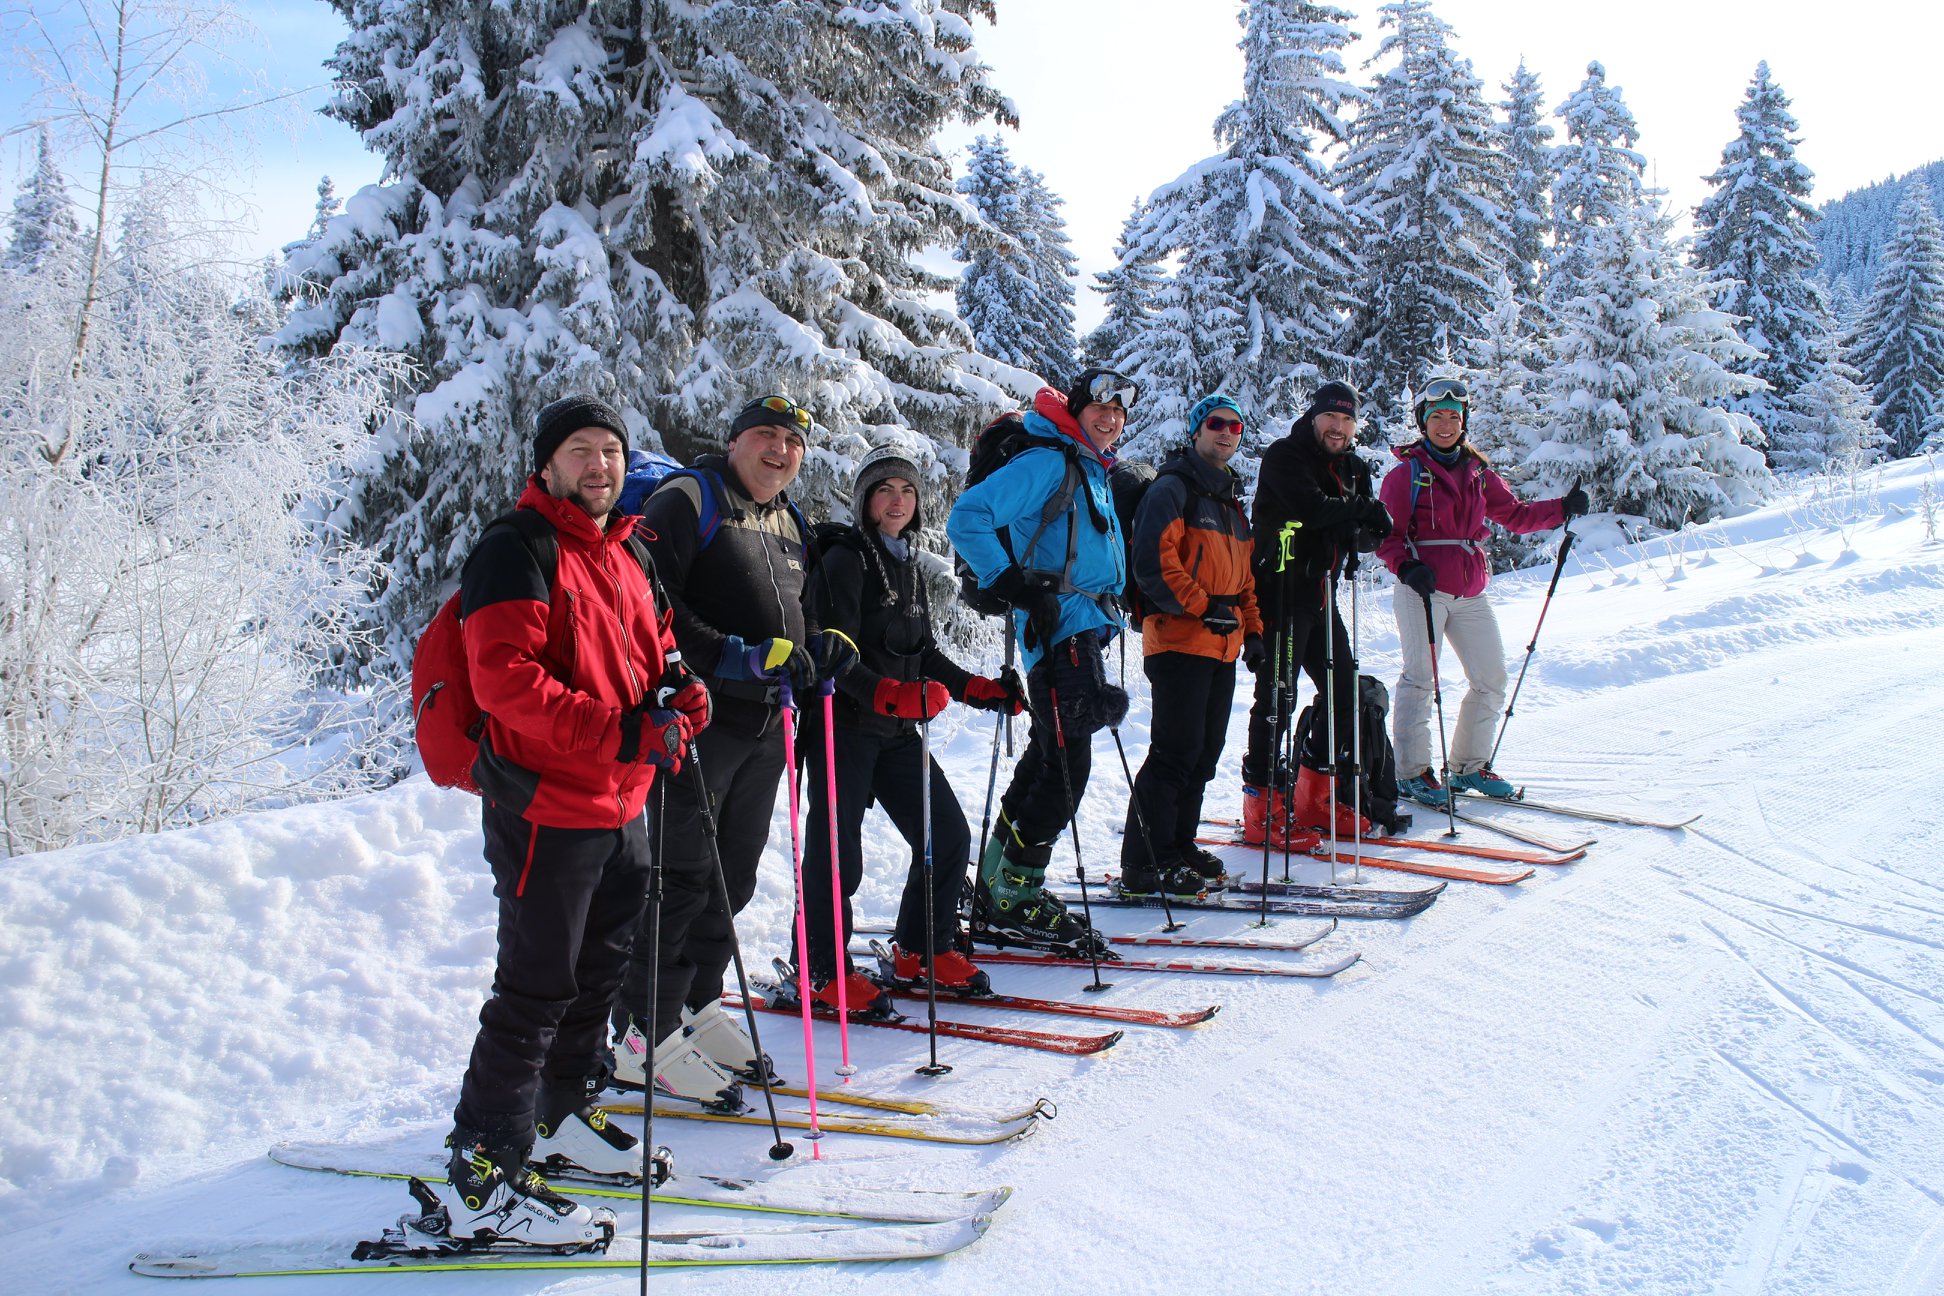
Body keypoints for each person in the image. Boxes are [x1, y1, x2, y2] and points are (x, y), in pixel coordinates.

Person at [444, 394, 696, 1246]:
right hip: (547, 805)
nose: (599, 466)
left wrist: (679, 689)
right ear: (546, 465)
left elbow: (657, 647)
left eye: (612, 452)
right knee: (536, 988)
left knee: (596, 974)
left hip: (623, 802)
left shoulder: (627, 552)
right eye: (581, 452)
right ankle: (480, 1172)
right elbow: (504, 682)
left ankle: (559, 1114)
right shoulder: (515, 548)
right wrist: (622, 731)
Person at [613, 395, 826, 1106]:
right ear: (733, 441)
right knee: (678, 878)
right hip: (698, 720)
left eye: (792, 440)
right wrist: (731, 656)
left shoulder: (788, 519)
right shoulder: (688, 499)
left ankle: (699, 1009)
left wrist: (820, 643)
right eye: (764, 435)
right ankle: (639, 1034)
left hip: (767, 724)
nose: (779, 449)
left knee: (730, 878)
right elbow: (649, 600)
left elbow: (803, 610)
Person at [797, 446, 1024, 1011]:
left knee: (946, 835)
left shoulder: (909, 566)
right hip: (843, 726)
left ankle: (920, 950)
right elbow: (832, 651)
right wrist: (888, 693)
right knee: (837, 855)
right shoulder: (846, 560)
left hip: (895, 732)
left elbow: (921, 653)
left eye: (907, 491)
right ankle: (820, 971)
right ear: (866, 502)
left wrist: (979, 689)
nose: (897, 500)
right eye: (884, 490)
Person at [947, 370, 1132, 957]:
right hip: (1058, 631)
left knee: (1052, 753)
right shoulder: (1051, 462)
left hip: (1080, 630)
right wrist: (1013, 585)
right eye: (1099, 407)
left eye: (1118, 411)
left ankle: (999, 883)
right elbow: (967, 517)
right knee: (1068, 764)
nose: (1109, 418)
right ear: (1076, 410)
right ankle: (1015, 892)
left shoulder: (1087, 464)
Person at [1377, 378, 1588, 806]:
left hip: (1470, 589)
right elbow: (1387, 535)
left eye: (1453, 417)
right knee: (1421, 678)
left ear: (1463, 422)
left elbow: (1515, 514)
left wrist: (1562, 508)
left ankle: (1468, 767)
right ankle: (1412, 773)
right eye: (1436, 416)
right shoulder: (1406, 476)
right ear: (1422, 421)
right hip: (1423, 588)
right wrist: (1407, 565)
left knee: (1491, 679)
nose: (1445, 424)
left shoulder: (1477, 473)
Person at [1120, 394, 1263, 895]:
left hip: (1222, 643)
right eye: (1216, 424)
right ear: (1196, 431)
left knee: (1203, 753)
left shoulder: (1229, 501)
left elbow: (1244, 580)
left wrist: (1254, 631)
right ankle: (1145, 863)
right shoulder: (1172, 488)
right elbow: (1155, 563)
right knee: (1174, 752)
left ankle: (1178, 847)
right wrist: (1206, 607)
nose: (1227, 433)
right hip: (1180, 639)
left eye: (1236, 427)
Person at [1242, 381, 1393, 843]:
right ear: (1315, 417)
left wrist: (1361, 525)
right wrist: (1361, 510)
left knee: (1344, 691)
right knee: (1277, 699)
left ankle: (1314, 798)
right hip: (1281, 593)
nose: (1339, 427)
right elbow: (1309, 508)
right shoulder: (1285, 455)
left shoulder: (1352, 467)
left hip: (1320, 593)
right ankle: (1261, 810)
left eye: (1348, 420)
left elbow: (1361, 531)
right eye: (1332, 417)